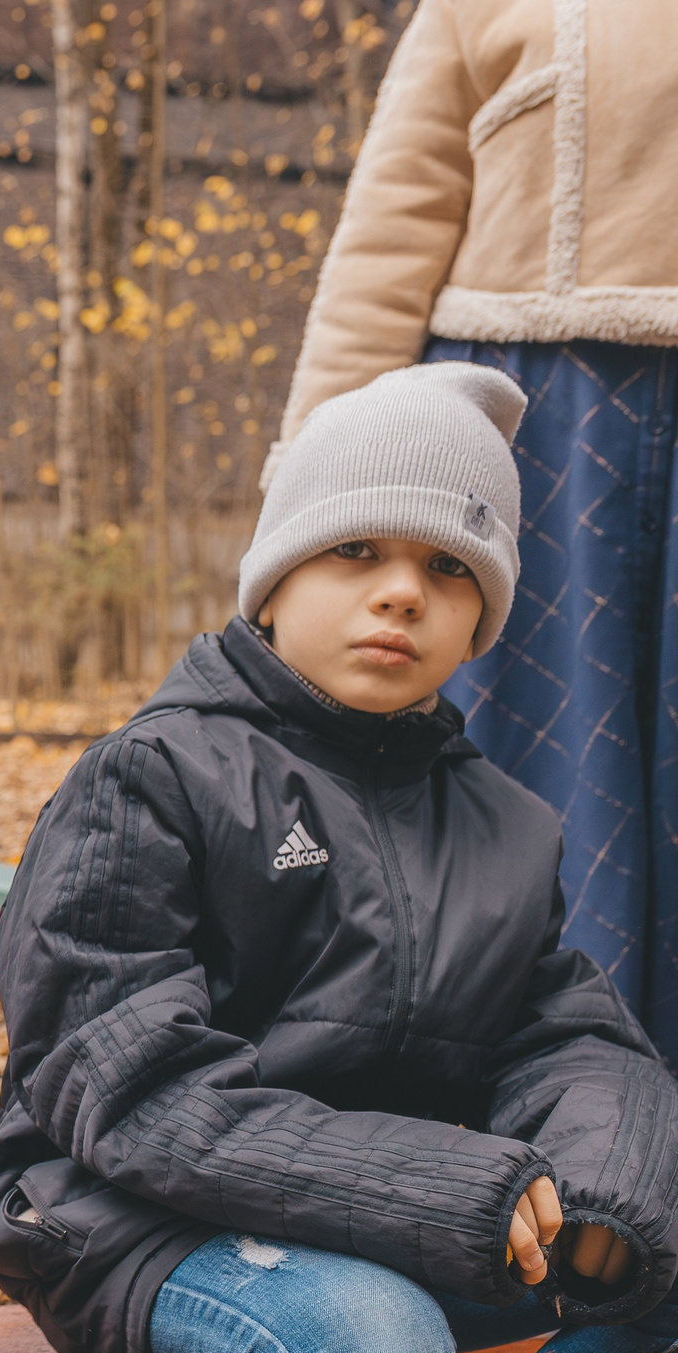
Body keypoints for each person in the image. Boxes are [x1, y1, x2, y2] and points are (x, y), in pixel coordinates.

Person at [0, 362, 678, 1353]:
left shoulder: (503, 821)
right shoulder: (157, 777)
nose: (401, 590)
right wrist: (442, 1184)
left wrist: (604, 1183)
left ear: (481, 619)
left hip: (382, 1221)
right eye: (356, 549)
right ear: (276, 580)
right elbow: (131, 1089)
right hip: (127, 1216)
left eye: (448, 568)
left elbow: (574, 1034)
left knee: (670, 1237)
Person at [274, 0, 678, 1057]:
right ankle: (537, 1131)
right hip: (530, 450)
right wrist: (310, 503)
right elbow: (383, 251)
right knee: (529, 801)